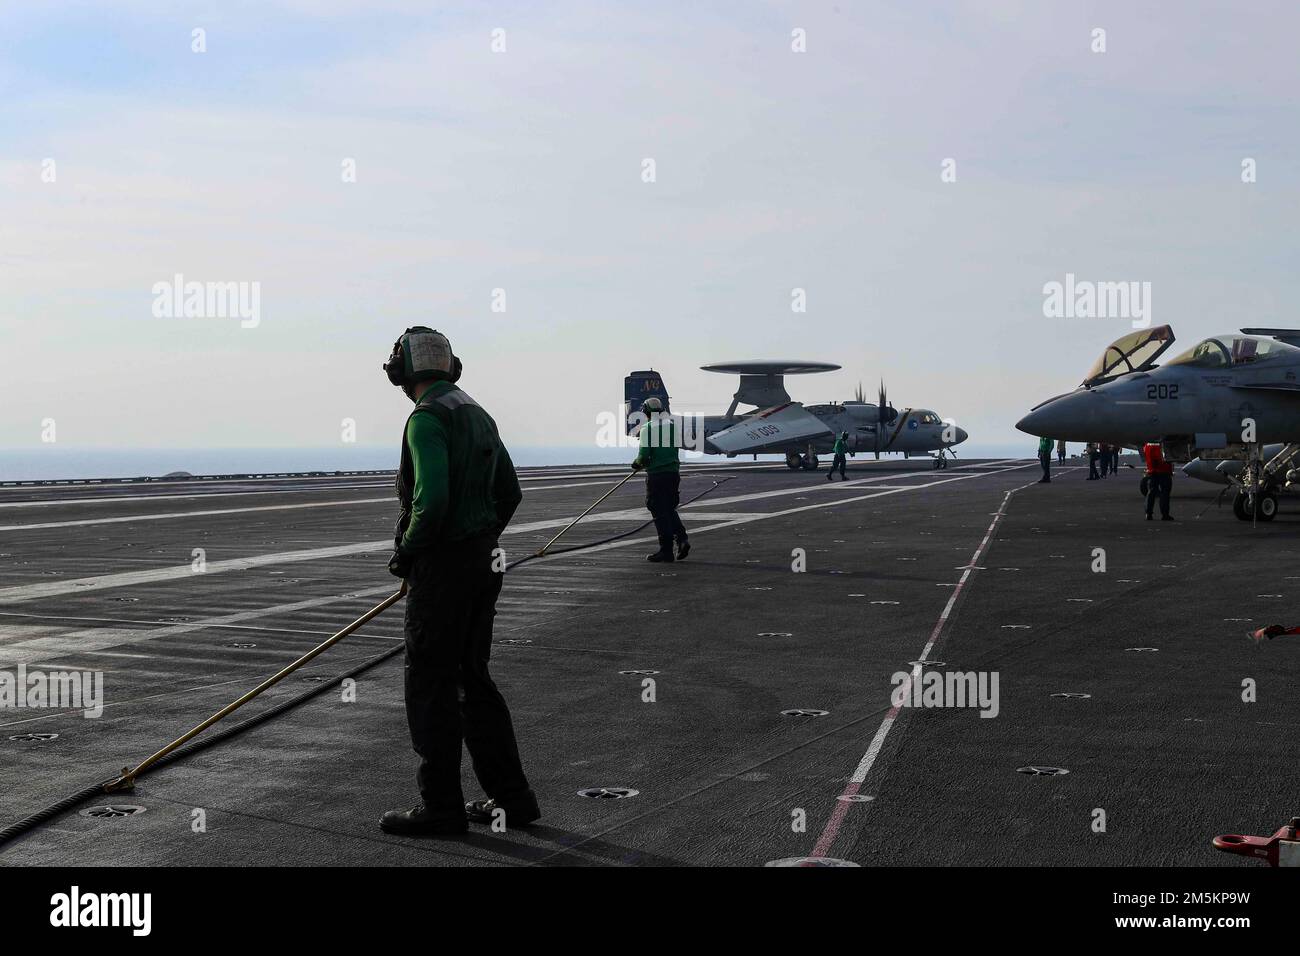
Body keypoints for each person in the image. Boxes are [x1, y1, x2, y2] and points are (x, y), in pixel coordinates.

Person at [379, 327, 540, 836]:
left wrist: (407, 555)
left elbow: (431, 501)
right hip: (481, 562)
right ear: (452, 366)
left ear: (402, 371)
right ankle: (511, 799)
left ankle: (441, 806)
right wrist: (480, 540)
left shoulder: (426, 419)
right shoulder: (478, 413)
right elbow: (509, 492)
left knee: (430, 684)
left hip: (442, 569)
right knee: (474, 678)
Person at [633, 397, 689, 562]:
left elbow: (643, 456)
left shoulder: (647, 428)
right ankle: (682, 539)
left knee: (658, 510)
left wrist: (636, 464)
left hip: (657, 475)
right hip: (673, 474)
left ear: (646, 412)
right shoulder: (672, 427)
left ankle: (666, 550)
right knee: (669, 508)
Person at [1143, 441, 1174, 521]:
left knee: (1151, 492)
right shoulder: (1162, 444)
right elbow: (1164, 457)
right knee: (1165, 493)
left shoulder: (1147, 444)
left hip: (1152, 472)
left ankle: (1148, 513)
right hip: (1164, 471)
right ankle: (1165, 514)